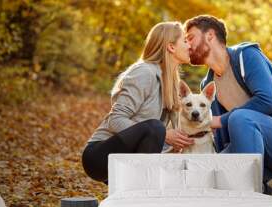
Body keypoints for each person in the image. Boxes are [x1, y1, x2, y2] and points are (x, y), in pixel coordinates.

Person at [183, 15, 272, 195]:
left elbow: (268, 101)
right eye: (185, 41)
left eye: (190, 38)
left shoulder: (246, 56)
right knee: (207, 170)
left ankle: (251, 194)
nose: (187, 44)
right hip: (247, 144)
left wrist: (219, 120)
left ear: (210, 36)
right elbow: (222, 136)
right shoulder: (208, 84)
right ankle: (260, 190)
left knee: (240, 118)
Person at [82, 22, 193, 184]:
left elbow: (150, 141)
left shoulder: (170, 81)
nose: (189, 45)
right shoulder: (144, 72)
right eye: (185, 41)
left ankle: (138, 199)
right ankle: (143, 193)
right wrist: (164, 135)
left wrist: (174, 143)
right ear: (171, 47)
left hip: (127, 156)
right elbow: (116, 119)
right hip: (99, 155)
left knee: (157, 130)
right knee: (156, 127)